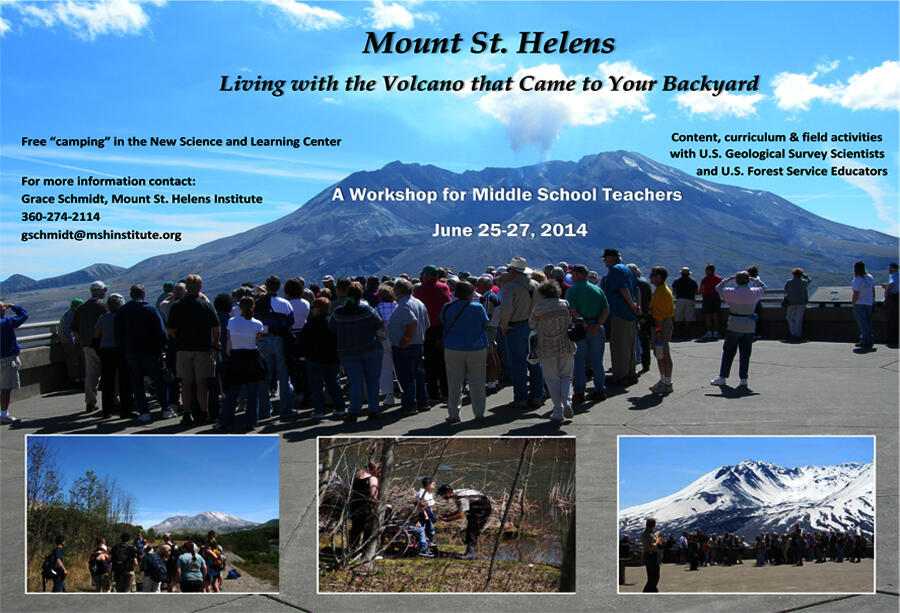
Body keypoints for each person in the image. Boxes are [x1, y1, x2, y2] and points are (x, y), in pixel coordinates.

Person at [166, 274, 221, 424]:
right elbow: (216, 327)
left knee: (186, 382)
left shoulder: (177, 306)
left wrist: (178, 338)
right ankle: (203, 413)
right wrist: (216, 342)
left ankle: (186, 413)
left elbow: (170, 329)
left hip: (183, 348)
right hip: (203, 348)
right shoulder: (206, 305)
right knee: (202, 383)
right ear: (200, 288)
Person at [116, 284, 176, 422]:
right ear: (143, 294)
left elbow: (118, 333)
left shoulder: (123, 311)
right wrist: (162, 347)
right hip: (151, 352)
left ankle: (144, 412)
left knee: (137, 383)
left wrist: (124, 349)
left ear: (131, 295)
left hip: (132, 352)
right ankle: (166, 409)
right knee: (159, 381)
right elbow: (161, 332)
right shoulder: (150, 309)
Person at [329, 282, 384, 422]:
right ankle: (373, 409)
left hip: (347, 351)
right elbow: (379, 325)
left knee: (355, 381)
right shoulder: (367, 310)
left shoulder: (338, 312)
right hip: (370, 348)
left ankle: (354, 411)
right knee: (373, 380)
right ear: (361, 296)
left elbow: (332, 328)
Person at [441, 281, 489, 423]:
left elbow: (444, 322)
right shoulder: (478, 308)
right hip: (476, 347)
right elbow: (485, 323)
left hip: (453, 347)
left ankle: (454, 414)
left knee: (454, 382)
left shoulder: (447, 307)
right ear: (470, 294)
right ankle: (479, 413)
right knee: (477, 381)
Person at [215, 296, 265, 432]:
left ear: (240, 308)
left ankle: (225, 420)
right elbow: (255, 341)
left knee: (233, 392)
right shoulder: (257, 324)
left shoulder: (232, 322)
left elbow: (229, 338)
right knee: (252, 392)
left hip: (236, 357)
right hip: (251, 357)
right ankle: (251, 421)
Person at [529, 280, 577, 422]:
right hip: (565, 344)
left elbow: (532, 324)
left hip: (546, 346)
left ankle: (557, 409)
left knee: (552, 378)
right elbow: (570, 322)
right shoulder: (564, 304)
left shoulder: (539, 307)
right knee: (566, 376)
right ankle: (567, 400)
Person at [499, 257, 544, 408]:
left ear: (512, 270)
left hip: (516, 327)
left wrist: (504, 325)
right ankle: (537, 395)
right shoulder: (536, 285)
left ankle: (521, 397)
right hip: (534, 326)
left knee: (518, 364)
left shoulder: (510, 287)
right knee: (535, 362)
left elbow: (506, 309)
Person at [710, 271, 766, 387]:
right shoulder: (754, 292)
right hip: (749, 325)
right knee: (745, 353)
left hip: (734, 323)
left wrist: (729, 279)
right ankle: (743, 379)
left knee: (728, 352)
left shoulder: (730, 292)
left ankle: (723, 377)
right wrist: (754, 280)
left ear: (736, 281)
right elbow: (763, 286)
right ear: (748, 280)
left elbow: (718, 287)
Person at [565, 264, 609, 403]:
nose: (571, 277)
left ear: (577, 275)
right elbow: (606, 310)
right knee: (597, 361)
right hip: (597, 327)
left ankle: (579, 392)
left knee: (579, 361)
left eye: (573, 274)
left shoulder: (572, 291)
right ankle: (600, 389)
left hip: (581, 329)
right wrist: (597, 325)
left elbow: (573, 311)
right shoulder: (597, 290)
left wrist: (585, 324)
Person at [255, 275, 296, 419]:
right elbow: (291, 323)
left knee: (264, 376)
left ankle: (264, 410)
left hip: (263, 341)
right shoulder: (284, 303)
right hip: (280, 340)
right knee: (284, 376)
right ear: (279, 287)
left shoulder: (258, 303)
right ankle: (286, 409)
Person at [388, 278, 431, 416]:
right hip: (418, 344)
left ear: (398, 291)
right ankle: (422, 401)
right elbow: (426, 324)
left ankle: (410, 404)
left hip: (405, 346)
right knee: (417, 374)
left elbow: (412, 322)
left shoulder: (403, 305)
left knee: (406, 376)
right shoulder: (419, 303)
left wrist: (405, 339)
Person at [299, 297, 345, 420]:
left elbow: (303, 341)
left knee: (316, 387)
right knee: (334, 384)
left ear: (317, 309)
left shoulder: (310, 323)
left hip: (314, 359)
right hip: (332, 358)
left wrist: (304, 354)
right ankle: (340, 408)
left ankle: (319, 411)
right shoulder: (333, 322)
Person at [603, 249, 640, 386]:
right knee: (630, 344)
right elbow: (635, 289)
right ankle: (631, 372)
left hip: (620, 311)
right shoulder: (627, 270)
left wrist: (630, 304)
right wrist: (636, 305)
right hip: (630, 313)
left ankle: (619, 375)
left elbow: (622, 288)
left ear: (610, 258)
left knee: (619, 345)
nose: (604, 261)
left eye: (605, 258)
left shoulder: (615, 270)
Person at [94, 293, 134, 419]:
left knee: (107, 381)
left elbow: (96, 334)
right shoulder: (124, 317)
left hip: (106, 351)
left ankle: (107, 410)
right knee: (125, 381)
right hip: (121, 350)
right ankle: (126, 409)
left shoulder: (102, 318)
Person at [414, 265, 451, 402]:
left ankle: (433, 393)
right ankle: (446, 392)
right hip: (442, 328)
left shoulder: (419, 290)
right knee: (443, 361)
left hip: (427, 329)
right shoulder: (444, 287)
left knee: (430, 363)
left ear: (427, 275)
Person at [71, 280, 109, 412]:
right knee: (109, 373)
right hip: (103, 345)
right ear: (99, 292)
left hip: (87, 345)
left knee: (91, 375)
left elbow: (74, 329)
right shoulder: (103, 307)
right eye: (104, 290)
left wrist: (82, 341)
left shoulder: (81, 308)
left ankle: (90, 402)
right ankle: (111, 402)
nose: (105, 293)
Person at [437, 484, 492, 560]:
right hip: (478, 507)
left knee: (472, 531)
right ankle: (472, 552)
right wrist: (448, 515)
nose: (442, 497)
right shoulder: (457, 495)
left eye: (442, 494)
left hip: (482, 508)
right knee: (472, 530)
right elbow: (461, 509)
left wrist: (447, 520)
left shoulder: (461, 497)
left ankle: (470, 554)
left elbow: (460, 515)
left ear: (447, 493)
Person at [648, 266, 675, 395]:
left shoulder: (660, 292)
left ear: (659, 277)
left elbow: (659, 314)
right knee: (660, 353)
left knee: (662, 353)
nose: (650, 278)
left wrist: (658, 331)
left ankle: (667, 382)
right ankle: (664, 379)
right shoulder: (662, 290)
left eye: (652, 275)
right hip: (664, 323)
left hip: (661, 325)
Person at [1, 301, 28, 424]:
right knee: (6, 388)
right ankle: (4, 414)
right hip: (7, 359)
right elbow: (24, 315)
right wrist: (13, 307)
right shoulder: (6, 323)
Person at [374, 285, 399, 407]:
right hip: (398, 339)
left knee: (386, 369)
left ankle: (389, 396)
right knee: (400, 367)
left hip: (383, 340)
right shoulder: (398, 306)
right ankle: (405, 391)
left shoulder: (377, 309)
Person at [349, 462, 381, 551]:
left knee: (355, 529)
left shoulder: (354, 478)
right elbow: (373, 496)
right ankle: (365, 552)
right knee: (368, 530)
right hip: (367, 508)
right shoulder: (372, 479)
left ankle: (352, 550)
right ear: (374, 470)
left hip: (355, 506)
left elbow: (351, 493)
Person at [629, 264, 653, 373]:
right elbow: (650, 300)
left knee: (630, 340)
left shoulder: (628, 285)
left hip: (630, 315)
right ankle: (646, 363)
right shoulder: (645, 285)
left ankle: (630, 363)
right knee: (645, 341)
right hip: (644, 317)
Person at [58, 299, 84, 386]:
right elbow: (67, 331)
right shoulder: (69, 315)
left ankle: (82, 378)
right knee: (73, 360)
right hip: (67, 341)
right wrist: (71, 342)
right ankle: (75, 380)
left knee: (81, 359)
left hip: (75, 340)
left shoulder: (75, 314)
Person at [851, 261, 876, 348]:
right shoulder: (870, 277)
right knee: (868, 322)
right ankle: (869, 339)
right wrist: (873, 300)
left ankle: (865, 340)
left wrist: (853, 302)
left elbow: (856, 293)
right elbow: (873, 290)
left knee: (862, 323)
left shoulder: (857, 280)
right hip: (869, 302)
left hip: (860, 303)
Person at [783, 268, 811, 340]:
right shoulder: (804, 282)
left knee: (789, 317)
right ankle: (798, 334)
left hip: (791, 303)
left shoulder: (789, 282)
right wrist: (806, 276)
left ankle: (793, 333)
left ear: (793, 274)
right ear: (801, 275)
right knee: (799, 319)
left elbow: (785, 289)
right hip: (802, 303)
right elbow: (809, 281)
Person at [672, 267, 699, 339]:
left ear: (681, 273)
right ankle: (687, 333)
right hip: (690, 299)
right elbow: (696, 291)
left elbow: (674, 291)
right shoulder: (693, 281)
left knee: (678, 316)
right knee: (689, 317)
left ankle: (677, 332)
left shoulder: (676, 281)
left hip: (680, 299)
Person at [699, 264, 723, 339]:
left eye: (706, 270)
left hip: (707, 298)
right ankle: (715, 333)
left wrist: (704, 296)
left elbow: (702, 290)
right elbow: (722, 289)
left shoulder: (704, 279)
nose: (705, 271)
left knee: (708, 316)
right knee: (716, 316)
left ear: (709, 270)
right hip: (716, 297)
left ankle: (709, 332)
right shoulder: (719, 279)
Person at [640, 518, 662, 592]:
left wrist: (656, 535)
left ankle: (653, 591)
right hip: (650, 556)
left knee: (653, 577)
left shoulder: (650, 533)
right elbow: (650, 547)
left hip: (653, 556)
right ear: (653, 525)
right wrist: (657, 541)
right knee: (653, 578)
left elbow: (654, 540)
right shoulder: (647, 534)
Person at [416, 478, 438, 547]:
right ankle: (424, 542)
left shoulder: (429, 493)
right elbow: (422, 506)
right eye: (433, 485)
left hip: (428, 512)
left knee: (431, 528)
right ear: (428, 485)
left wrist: (431, 515)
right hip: (422, 513)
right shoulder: (421, 493)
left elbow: (430, 506)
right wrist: (425, 515)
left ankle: (429, 541)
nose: (434, 486)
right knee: (425, 528)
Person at [883, 263, 899, 346]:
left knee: (892, 319)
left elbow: (892, 283)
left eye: (889, 268)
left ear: (892, 269)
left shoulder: (892, 276)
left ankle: (892, 339)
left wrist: (887, 291)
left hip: (893, 298)